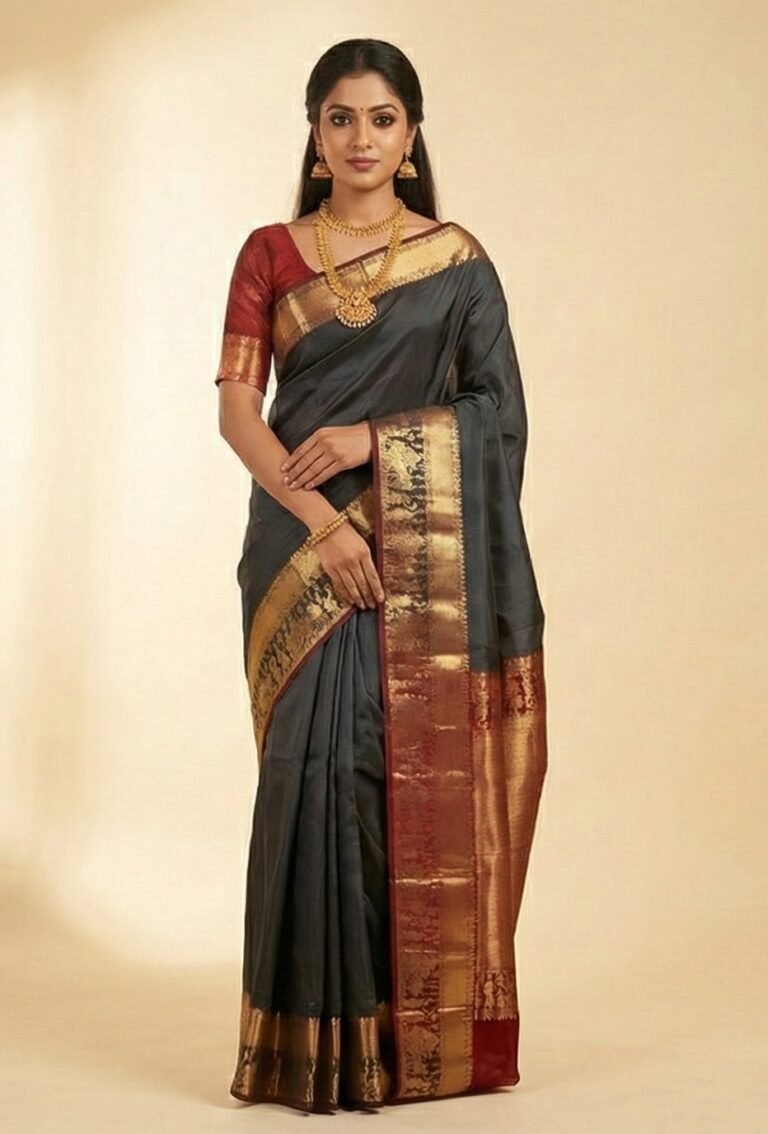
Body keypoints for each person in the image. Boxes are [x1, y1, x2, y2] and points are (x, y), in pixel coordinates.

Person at [214, 37, 548, 1116]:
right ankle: (305, 1044)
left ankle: (407, 1045)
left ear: (411, 138)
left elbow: (498, 416)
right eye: (341, 118)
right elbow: (238, 415)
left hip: (418, 553)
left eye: (383, 118)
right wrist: (324, 527)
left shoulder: (457, 262)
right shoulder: (270, 253)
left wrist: (373, 440)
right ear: (316, 139)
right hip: (298, 552)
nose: (362, 138)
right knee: (302, 776)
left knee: (380, 770)